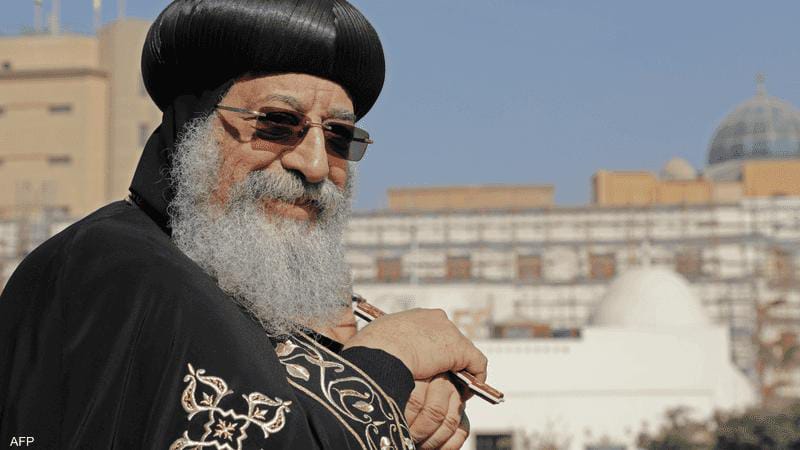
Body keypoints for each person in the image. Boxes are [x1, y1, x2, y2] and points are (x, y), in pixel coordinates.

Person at [0, 1, 489, 449]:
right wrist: (384, 363)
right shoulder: (118, 267)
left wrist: (398, 389)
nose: (316, 165)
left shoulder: (225, 290)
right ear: (191, 126)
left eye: (339, 135)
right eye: (278, 122)